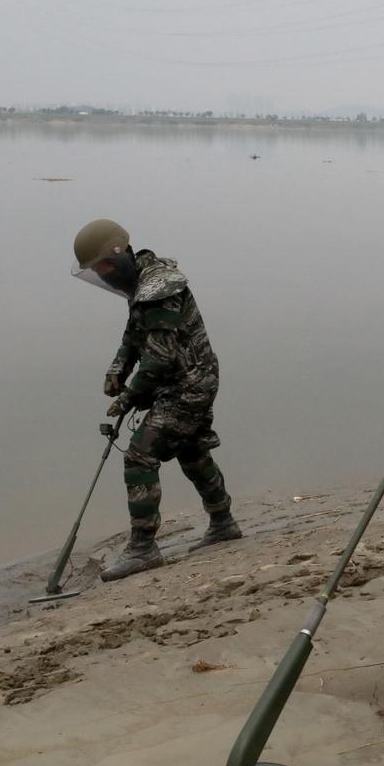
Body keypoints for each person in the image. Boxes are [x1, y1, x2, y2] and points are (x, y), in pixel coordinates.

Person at [71, 218, 241, 581]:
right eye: (96, 270)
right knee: (192, 452)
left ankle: (143, 548)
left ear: (120, 255)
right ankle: (223, 522)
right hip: (180, 380)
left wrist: (130, 396)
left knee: (139, 456)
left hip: (189, 384)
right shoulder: (140, 283)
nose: (102, 274)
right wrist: (116, 371)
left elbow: (160, 357)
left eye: (103, 266)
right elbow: (134, 337)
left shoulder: (160, 287)